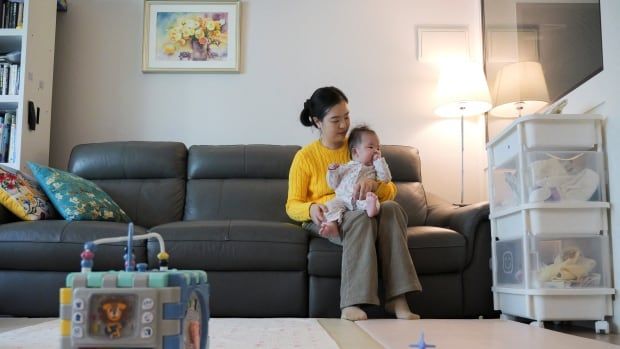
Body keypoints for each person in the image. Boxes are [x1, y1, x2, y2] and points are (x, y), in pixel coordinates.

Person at [286, 86, 422, 321]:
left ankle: (397, 298)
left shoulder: (360, 145)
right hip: (331, 214)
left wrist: (373, 185)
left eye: (346, 117)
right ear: (318, 122)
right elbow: (292, 204)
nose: (343, 125)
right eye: (335, 120)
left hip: (363, 206)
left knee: (392, 208)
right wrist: (310, 208)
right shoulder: (305, 158)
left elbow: (391, 189)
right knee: (360, 219)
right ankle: (351, 302)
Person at [320, 125, 390, 237]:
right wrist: (333, 171)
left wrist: (379, 162)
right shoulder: (345, 167)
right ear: (356, 152)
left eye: (378, 148)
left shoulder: (374, 168)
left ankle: (372, 210)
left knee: (372, 198)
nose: (376, 151)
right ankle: (332, 225)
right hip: (342, 200)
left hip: (360, 199)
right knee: (330, 205)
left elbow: (386, 178)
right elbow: (333, 184)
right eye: (371, 147)